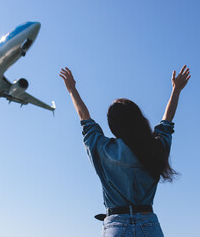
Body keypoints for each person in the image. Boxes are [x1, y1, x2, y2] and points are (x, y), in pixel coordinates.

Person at [59, 65, 191, 237]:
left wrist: (72, 90)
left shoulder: (103, 148)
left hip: (116, 226)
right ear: (139, 120)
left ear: (113, 125)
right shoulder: (155, 148)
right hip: (149, 225)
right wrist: (176, 90)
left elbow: (84, 118)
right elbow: (167, 122)